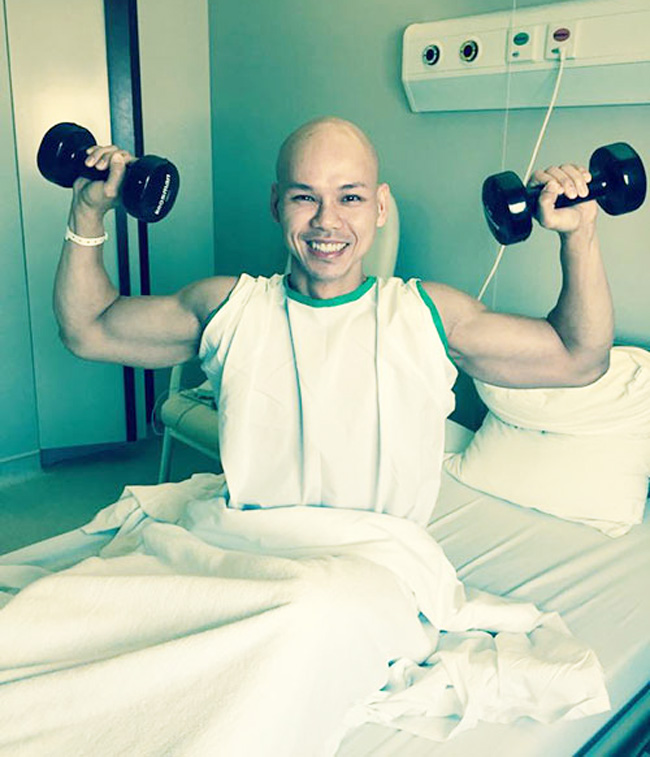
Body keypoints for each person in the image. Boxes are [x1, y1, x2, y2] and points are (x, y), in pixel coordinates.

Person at [7, 116, 611, 754]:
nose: (328, 221)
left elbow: (579, 357)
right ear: (277, 204)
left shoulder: (427, 314)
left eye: (350, 197)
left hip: (371, 565)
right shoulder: (231, 307)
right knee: (79, 620)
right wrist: (88, 210)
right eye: (305, 197)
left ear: (379, 207)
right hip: (239, 546)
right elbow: (89, 329)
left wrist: (579, 236)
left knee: (309, 607)